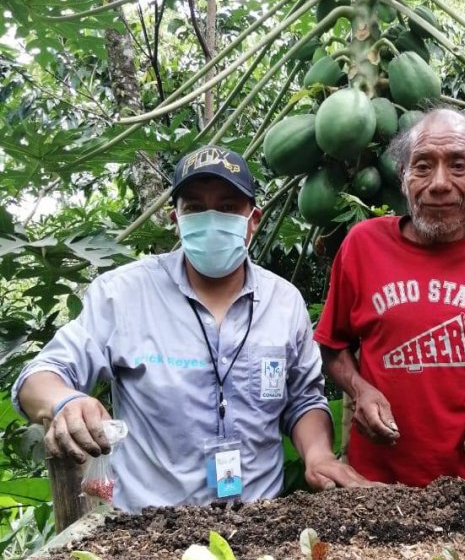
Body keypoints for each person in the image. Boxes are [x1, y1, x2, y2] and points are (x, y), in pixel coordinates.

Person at [13, 144, 366, 512]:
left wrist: (319, 454)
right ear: (176, 219)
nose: (212, 219)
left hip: (259, 525)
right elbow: (39, 377)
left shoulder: (284, 303)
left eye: (228, 207)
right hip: (149, 531)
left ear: (253, 219)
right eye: (195, 208)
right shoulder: (124, 295)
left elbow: (302, 400)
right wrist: (66, 402)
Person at [314, 107, 465, 485]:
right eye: (422, 166)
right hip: (373, 486)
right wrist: (359, 387)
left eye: (458, 166)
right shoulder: (363, 244)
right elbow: (331, 345)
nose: (439, 183)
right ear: (402, 177)